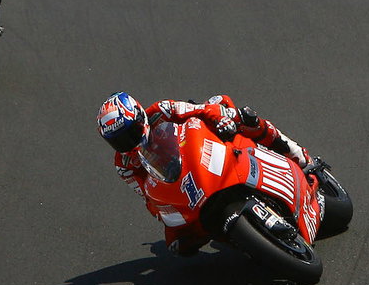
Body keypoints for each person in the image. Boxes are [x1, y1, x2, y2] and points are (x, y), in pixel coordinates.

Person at [97, 92, 312, 255]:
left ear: (140, 116)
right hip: (181, 182)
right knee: (178, 245)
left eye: (131, 132)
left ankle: (297, 155)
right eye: (119, 140)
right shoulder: (124, 164)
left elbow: (200, 109)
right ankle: (236, 235)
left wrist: (221, 118)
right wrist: (161, 209)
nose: (128, 142)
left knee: (244, 117)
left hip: (202, 148)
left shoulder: (162, 111)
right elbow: (146, 195)